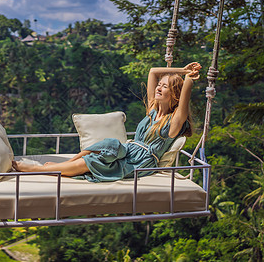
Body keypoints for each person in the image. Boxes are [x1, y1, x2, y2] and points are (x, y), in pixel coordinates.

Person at [12, 62, 202, 182]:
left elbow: (185, 95)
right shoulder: (152, 112)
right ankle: (62, 165)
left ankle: (36, 169)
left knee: (94, 161)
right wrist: (181, 69)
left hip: (138, 162)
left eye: (165, 86)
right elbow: (153, 72)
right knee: (108, 145)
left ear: (175, 95)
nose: (159, 88)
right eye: (159, 85)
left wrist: (188, 78)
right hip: (127, 150)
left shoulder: (173, 123)